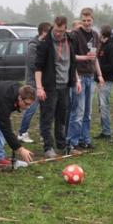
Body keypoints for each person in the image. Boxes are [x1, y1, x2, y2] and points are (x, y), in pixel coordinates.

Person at [34, 15, 82, 159]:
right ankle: (48, 147)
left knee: (62, 118)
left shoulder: (70, 40)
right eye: (56, 30)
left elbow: (72, 63)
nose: (58, 33)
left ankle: (62, 146)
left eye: (61, 31)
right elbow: (38, 67)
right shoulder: (45, 43)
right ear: (53, 26)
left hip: (65, 86)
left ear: (65, 28)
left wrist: (77, 80)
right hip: (49, 86)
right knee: (47, 118)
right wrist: (39, 88)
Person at [66, 8, 104, 151]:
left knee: (88, 112)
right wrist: (77, 79)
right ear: (81, 20)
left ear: (93, 19)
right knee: (78, 112)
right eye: (84, 20)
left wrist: (99, 75)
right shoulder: (75, 34)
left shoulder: (95, 35)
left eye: (89, 20)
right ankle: (72, 141)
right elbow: (71, 57)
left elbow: (95, 58)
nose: (87, 23)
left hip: (90, 76)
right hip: (79, 76)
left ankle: (85, 139)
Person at [18, 22, 51, 144]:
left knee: (45, 109)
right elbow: (33, 65)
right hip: (33, 83)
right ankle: (22, 133)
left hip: (44, 82)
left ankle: (44, 133)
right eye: (49, 32)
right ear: (43, 32)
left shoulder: (45, 44)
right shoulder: (33, 46)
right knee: (31, 108)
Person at [95, 24, 113, 140]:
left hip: (107, 80)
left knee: (104, 105)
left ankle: (107, 132)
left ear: (103, 34)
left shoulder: (111, 47)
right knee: (101, 105)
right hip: (102, 79)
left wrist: (98, 68)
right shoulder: (103, 45)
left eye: (100, 32)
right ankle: (105, 130)